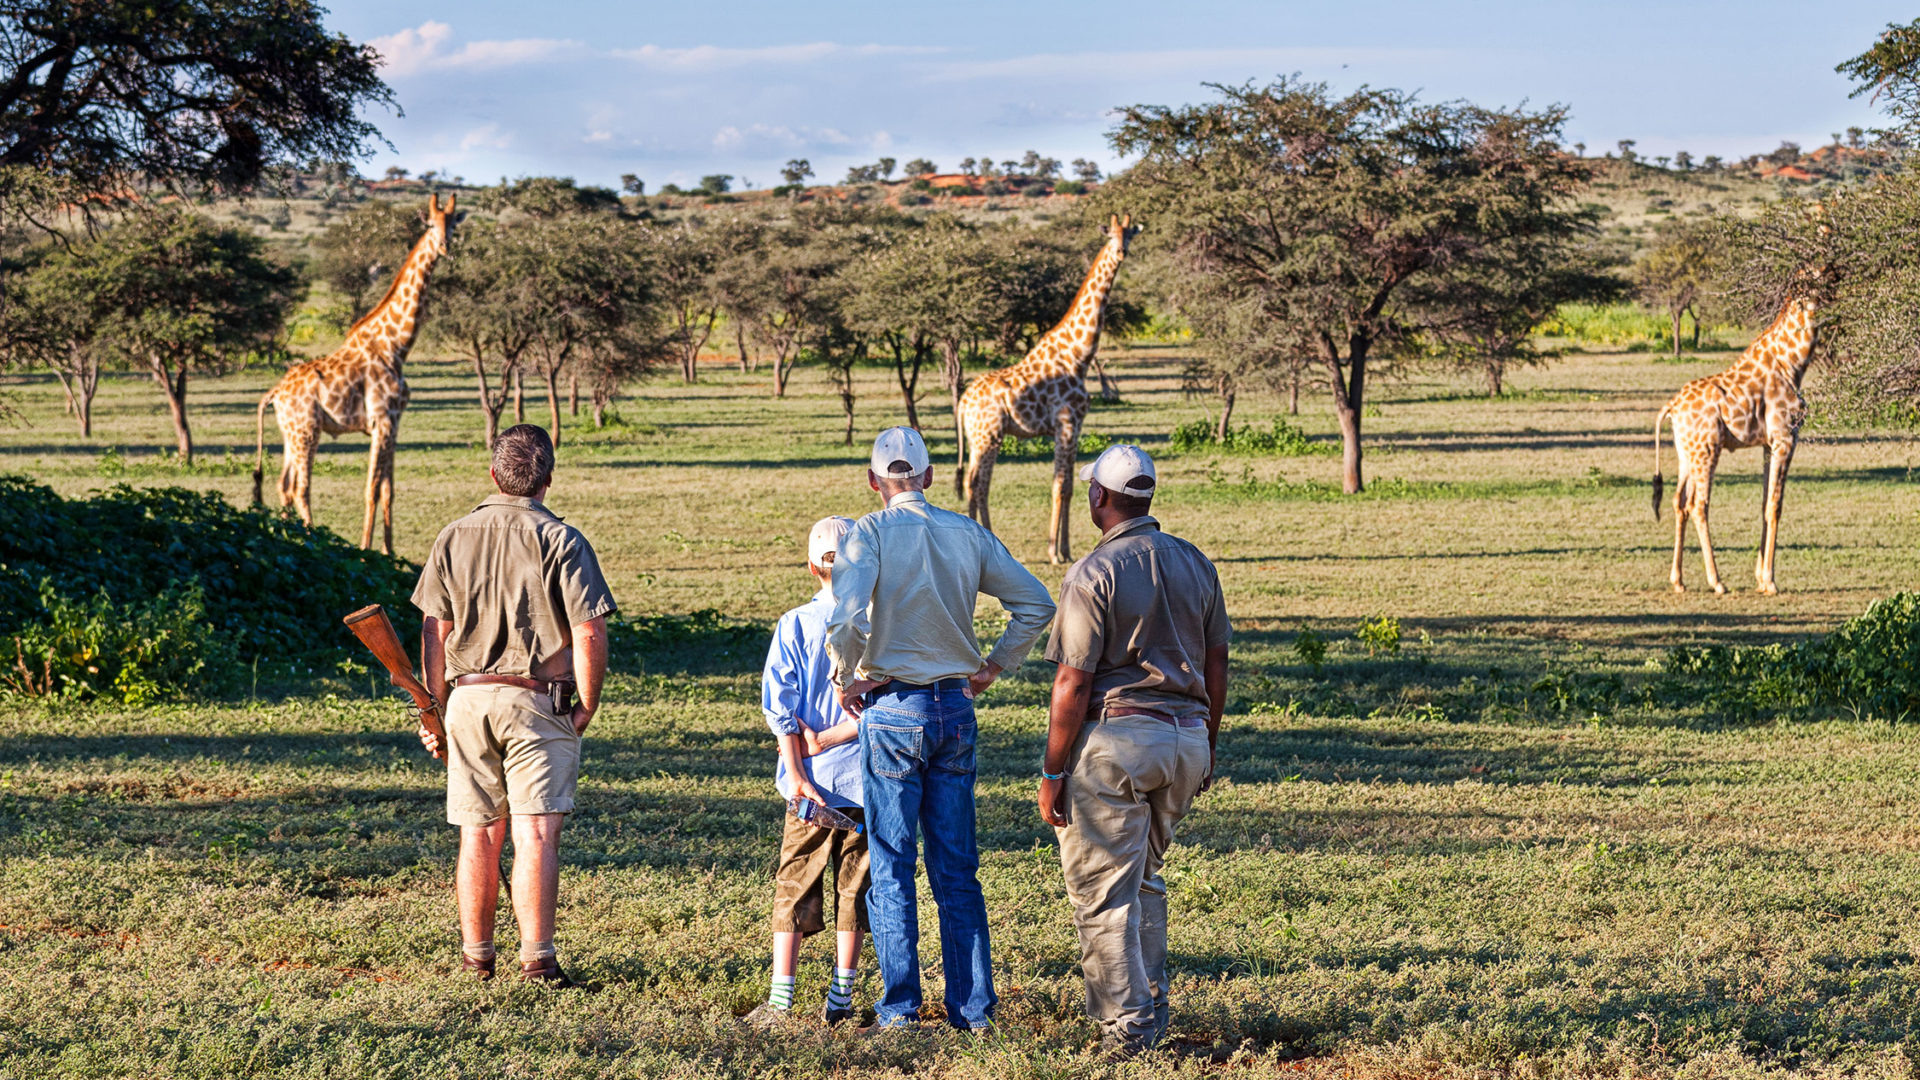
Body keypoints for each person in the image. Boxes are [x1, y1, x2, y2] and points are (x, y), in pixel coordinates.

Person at [827, 426, 1056, 1031]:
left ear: (874, 482)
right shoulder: (966, 531)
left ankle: (899, 1010)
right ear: (929, 477)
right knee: (957, 869)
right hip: (955, 709)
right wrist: (991, 668)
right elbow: (1036, 605)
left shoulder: (867, 534)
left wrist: (846, 677)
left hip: (893, 709)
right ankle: (974, 1011)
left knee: (892, 864)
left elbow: (847, 619)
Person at [1036, 444, 1230, 1057]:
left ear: (1097, 497)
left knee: (1102, 891)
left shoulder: (1094, 572)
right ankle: (1150, 1011)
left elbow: (1072, 680)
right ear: (1146, 496)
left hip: (1118, 741)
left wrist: (1052, 769)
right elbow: (1217, 661)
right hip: (1186, 743)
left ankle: (1128, 1029)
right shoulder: (1196, 562)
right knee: (1142, 880)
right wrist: (1207, 742)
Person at [412, 424, 615, 985]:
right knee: (536, 833)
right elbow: (590, 633)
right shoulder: (563, 540)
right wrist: (586, 706)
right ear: (547, 478)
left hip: (467, 699)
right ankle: (538, 960)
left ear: (494, 474)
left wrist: (437, 707)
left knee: (477, 834)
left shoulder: (452, 536)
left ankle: (476, 958)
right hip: (537, 702)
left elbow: (435, 631)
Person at [747, 515, 870, 1029]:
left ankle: (780, 1002)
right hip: (867, 781)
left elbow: (781, 711)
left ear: (810, 567)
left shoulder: (794, 624)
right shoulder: (875, 623)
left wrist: (799, 767)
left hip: (809, 785)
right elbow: (878, 710)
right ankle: (840, 1000)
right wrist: (836, 735)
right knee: (854, 887)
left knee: (794, 883)